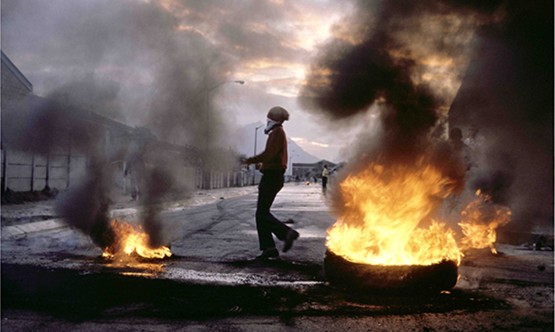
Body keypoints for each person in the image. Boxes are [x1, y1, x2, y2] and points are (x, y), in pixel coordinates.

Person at [242, 106, 300, 260]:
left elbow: (268, 154)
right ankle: (269, 248)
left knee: (261, 213)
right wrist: (263, 165)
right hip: (272, 175)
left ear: (273, 118)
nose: (267, 120)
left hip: (272, 177)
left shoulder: (277, 133)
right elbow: (273, 157)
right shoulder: (278, 133)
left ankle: (286, 233)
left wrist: (250, 160)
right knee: (261, 214)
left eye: (268, 117)